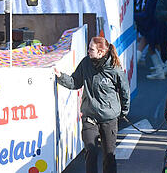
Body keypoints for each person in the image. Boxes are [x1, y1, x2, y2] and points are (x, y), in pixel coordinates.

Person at [54, 36, 130, 173]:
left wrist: (123, 112)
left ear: (101, 52)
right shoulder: (85, 63)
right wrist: (60, 76)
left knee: (109, 155)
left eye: (91, 49)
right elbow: (75, 82)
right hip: (90, 116)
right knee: (91, 151)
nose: (88, 51)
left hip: (109, 118)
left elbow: (125, 91)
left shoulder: (115, 69)